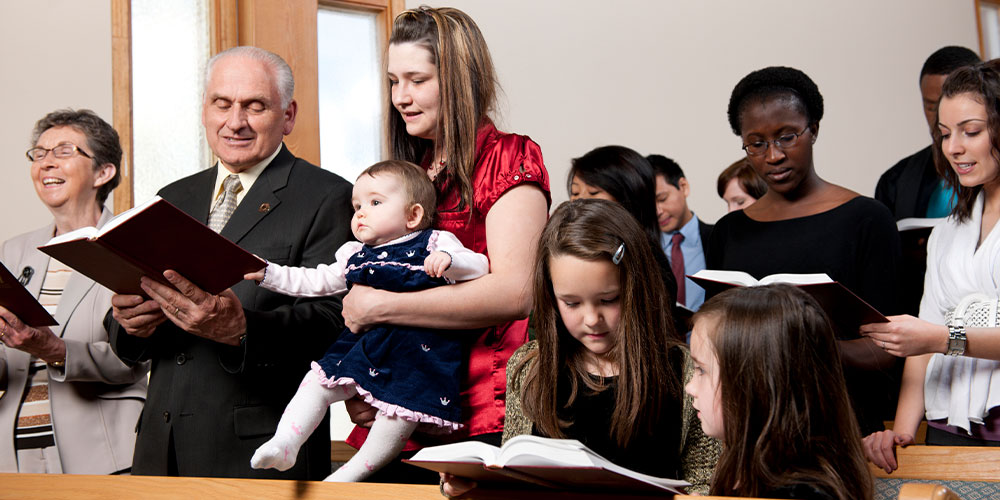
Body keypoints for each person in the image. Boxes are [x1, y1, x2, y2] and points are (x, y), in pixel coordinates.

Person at [108, 46, 354, 478]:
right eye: (222, 104)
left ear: (288, 115)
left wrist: (243, 331)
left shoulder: (329, 197)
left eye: (254, 106)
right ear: (205, 110)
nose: (235, 121)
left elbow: (339, 324)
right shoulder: (172, 197)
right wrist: (128, 324)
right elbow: (131, 337)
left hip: (258, 454)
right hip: (158, 449)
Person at [339, 6, 551, 481]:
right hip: (401, 396)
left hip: (476, 407)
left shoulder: (507, 156)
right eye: (394, 81)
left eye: (416, 79)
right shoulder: (411, 168)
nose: (400, 96)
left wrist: (380, 307)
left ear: (458, 79)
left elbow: (516, 292)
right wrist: (361, 380)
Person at [442, 199, 720, 498]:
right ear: (551, 296)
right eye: (572, 303)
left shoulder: (685, 371)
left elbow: (704, 482)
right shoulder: (529, 367)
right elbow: (517, 475)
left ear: (635, 288)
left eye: (609, 299)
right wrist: (479, 490)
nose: (591, 319)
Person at [248, 160, 488, 481]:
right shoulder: (354, 253)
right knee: (316, 383)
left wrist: (451, 262)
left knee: (398, 413)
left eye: (374, 203)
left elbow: (480, 266)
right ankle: (286, 442)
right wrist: (268, 272)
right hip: (363, 345)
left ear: (413, 215)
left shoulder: (434, 243)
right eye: (357, 205)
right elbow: (314, 281)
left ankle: (350, 473)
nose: (361, 212)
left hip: (417, 354)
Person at [708, 66, 902, 436]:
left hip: (840, 426)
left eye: (787, 137)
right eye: (757, 143)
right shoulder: (729, 232)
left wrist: (807, 344)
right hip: (754, 425)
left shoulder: (866, 219)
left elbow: (888, 349)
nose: (774, 156)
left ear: (813, 130)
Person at [862, 61, 1000, 473]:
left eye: (970, 131)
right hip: (945, 426)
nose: (953, 147)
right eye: (944, 134)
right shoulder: (948, 232)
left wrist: (941, 337)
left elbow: (933, 336)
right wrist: (903, 433)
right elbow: (922, 344)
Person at [0, 109, 148, 474]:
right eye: (39, 153)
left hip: (102, 454)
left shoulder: (131, 246)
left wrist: (51, 348)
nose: (46, 163)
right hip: (14, 455)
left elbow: (134, 359)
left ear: (103, 172)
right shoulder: (13, 251)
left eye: (64, 152)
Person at [688, 285, 873, 500]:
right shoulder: (739, 469)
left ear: (755, 385)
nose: (689, 387)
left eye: (701, 370)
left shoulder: (808, 492)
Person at [875, 46, 981, 317]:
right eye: (930, 106)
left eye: (970, 130)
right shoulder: (896, 180)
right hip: (919, 312)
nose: (938, 121)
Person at [568, 146, 680, 329]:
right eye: (574, 192)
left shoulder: (648, 263)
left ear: (629, 196)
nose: (580, 201)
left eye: (593, 193)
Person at [647, 154, 713, 312]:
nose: (657, 211)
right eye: (648, 205)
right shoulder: (644, 247)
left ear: (683, 187)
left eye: (662, 199)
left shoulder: (718, 237)